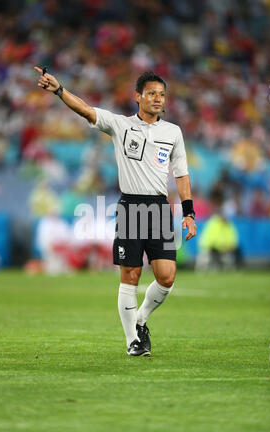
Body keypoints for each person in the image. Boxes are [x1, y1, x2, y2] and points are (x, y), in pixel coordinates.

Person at [34, 67, 197, 356]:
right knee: (131, 274)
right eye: (151, 94)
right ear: (138, 96)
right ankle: (133, 340)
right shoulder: (120, 125)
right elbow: (85, 110)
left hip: (159, 208)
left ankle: (141, 319)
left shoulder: (173, 132)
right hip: (131, 206)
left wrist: (189, 213)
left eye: (161, 94)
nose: (158, 99)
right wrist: (60, 91)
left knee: (167, 276)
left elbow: (182, 175)